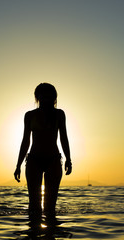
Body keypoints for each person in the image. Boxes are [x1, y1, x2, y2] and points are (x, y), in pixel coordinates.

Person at [14, 83, 72, 224]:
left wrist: (69, 159)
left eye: (49, 95)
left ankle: (50, 232)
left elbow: (64, 137)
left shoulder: (59, 114)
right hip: (34, 160)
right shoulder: (29, 116)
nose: (46, 98)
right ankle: (34, 231)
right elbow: (25, 141)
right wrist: (18, 165)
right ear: (37, 97)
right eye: (43, 95)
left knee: (50, 207)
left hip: (53, 160)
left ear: (54, 97)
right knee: (34, 205)